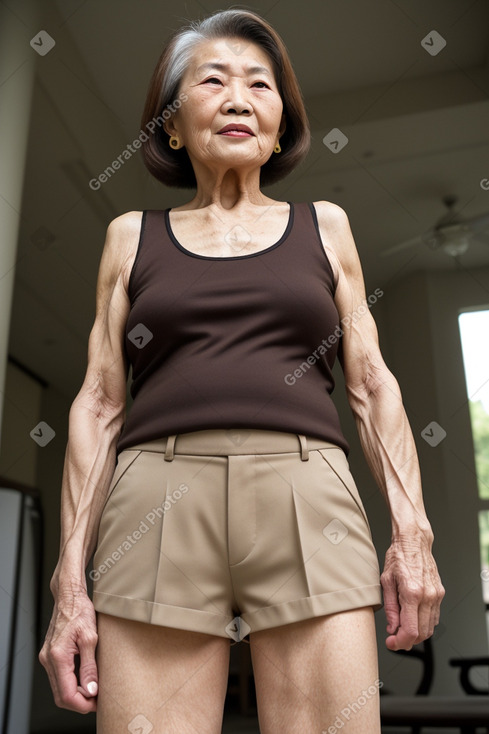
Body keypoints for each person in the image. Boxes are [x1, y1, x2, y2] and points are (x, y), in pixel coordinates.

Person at [39, 8, 445, 733]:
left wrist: (411, 533)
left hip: (307, 493)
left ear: (280, 121)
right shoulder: (130, 236)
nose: (238, 98)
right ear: (170, 123)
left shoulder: (324, 225)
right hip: (156, 502)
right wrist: (69, 580)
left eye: (260, 85)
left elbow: (371, 382)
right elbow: (99, 405)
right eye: (214, 80)